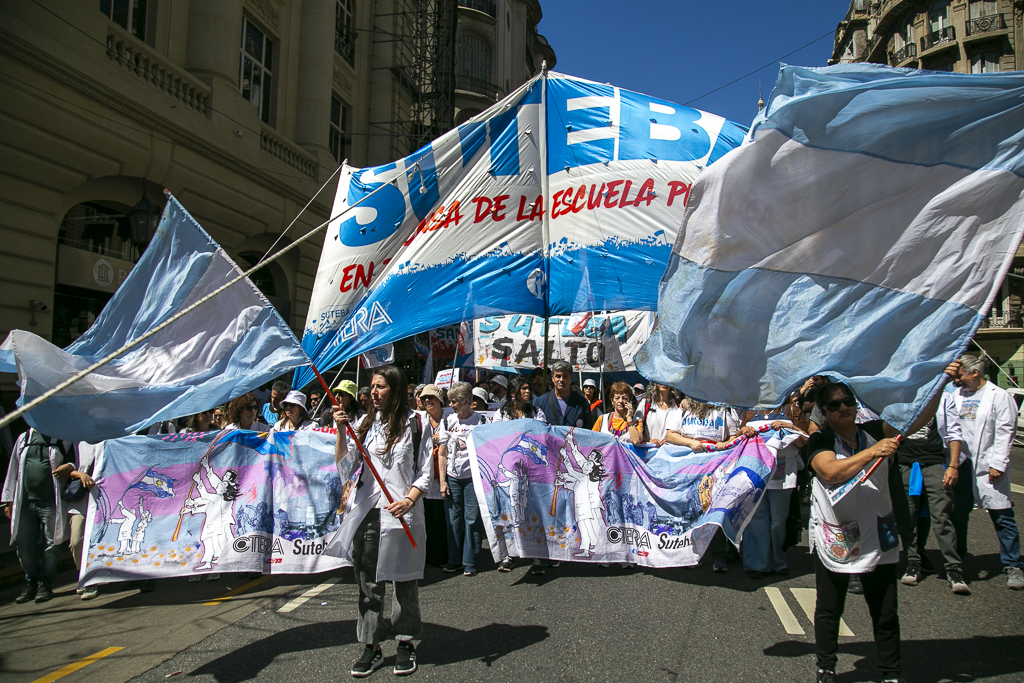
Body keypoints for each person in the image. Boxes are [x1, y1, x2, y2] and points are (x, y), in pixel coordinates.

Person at [807, 366, 955, 683]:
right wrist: (872, 452)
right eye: (834, 404)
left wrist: (941, 381)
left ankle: (891, 673)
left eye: (848, 401)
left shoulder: (875, 429)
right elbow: (830, 472)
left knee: (885, 610)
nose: (844, 408)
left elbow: (916, 419)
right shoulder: (821, 439)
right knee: (830, 607)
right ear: (825, 413)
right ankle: (826, 666)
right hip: (837, 534)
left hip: (878, 530)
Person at [332, 365, 432, 677]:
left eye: (380, 387)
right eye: (372, 386)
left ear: (396, 389)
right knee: (368, 584)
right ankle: (371, 645)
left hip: (402, 514)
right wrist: (341, 431)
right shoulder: (364, 424)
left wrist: (409, 500)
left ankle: (405, 641)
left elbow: (425, 471)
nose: (373, 393)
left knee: (404, 581)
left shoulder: (418, 422)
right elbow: (345, 467)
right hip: (369, 513)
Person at [941, 354, 1024, 590]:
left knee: (1002, 516)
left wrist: (998, 462)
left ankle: (1012, 564)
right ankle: (959, 559)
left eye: (960, 376)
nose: (957, 380)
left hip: (989, 465)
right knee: (959, 514)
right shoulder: (956, 395)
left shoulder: (999, 396)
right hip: (961, 465)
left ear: (975, 373)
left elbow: (1006, 431)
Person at [896, 379, 970, 594]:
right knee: (908, 516)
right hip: (905, 464)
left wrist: (953, 466)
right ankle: (913, 561)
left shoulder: (943, 398)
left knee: (942, 516)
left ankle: (953, 568)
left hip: (934, 462)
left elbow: (954, 433)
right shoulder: (899, 398)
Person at [1, 429, 75, 604]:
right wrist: (8, 500)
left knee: (51, 545)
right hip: (25, 502)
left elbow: (76, 461)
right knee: (22, 544)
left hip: (50, 502)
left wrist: (69, 466)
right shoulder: (24, 438)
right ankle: (31, 581)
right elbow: (13, 468)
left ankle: (45, 583)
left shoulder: (62, 437)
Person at [738, 398, 807, 578]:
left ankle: (778, 560)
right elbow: (739, 438)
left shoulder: (792, 410)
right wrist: (743, 431)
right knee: (757, 519)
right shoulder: (752, 410)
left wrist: (790, 427)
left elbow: (804, 441)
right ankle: (757, 564)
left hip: (783, 476)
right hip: (757, 472)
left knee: (778, 520)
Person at [438, 382, 488, 577]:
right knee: (453, 519)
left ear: (467, 401)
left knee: (472, 519)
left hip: (472, 478)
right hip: (453, 477)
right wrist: (443, 481)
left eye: (455, 401)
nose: (451, 405)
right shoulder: (447, 421)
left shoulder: (481, 422)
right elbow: (442, 452)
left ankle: (470, 561)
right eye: (450, 401)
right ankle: (454, 559)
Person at [418, 384, 451, 568]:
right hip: (424, 474)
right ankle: (425, 555)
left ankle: (439, 556)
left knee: (439, 518)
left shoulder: (450, 419)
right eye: (424, 399)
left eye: (431, 398)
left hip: (442, 475)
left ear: (440, 400)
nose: (427, 401)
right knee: (425, 517)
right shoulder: (419, 420)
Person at [68, 443, 99, 599]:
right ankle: (85, 576)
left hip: (104, 499)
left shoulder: (112, 438)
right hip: (81, 501)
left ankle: (90, 581)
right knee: (76, 542)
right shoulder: (76, 441)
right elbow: (64, 467)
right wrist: (80, 475)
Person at [534, 361, 596, 429]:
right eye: (558, 376)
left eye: (565, 376)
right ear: (552, 378)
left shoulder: (582, 403)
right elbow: (535, 430)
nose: (561, 380)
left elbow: (588, 430)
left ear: (571, 378)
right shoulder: (541, 402)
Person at [592, 381, 635, 445]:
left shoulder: (636, 421)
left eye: (624, 398)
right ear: (612, 401)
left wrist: (629, 419)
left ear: (629, 400)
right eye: (617, 398)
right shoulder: (603, 419)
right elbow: (592, 440)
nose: (620, 401)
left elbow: (636, 441)